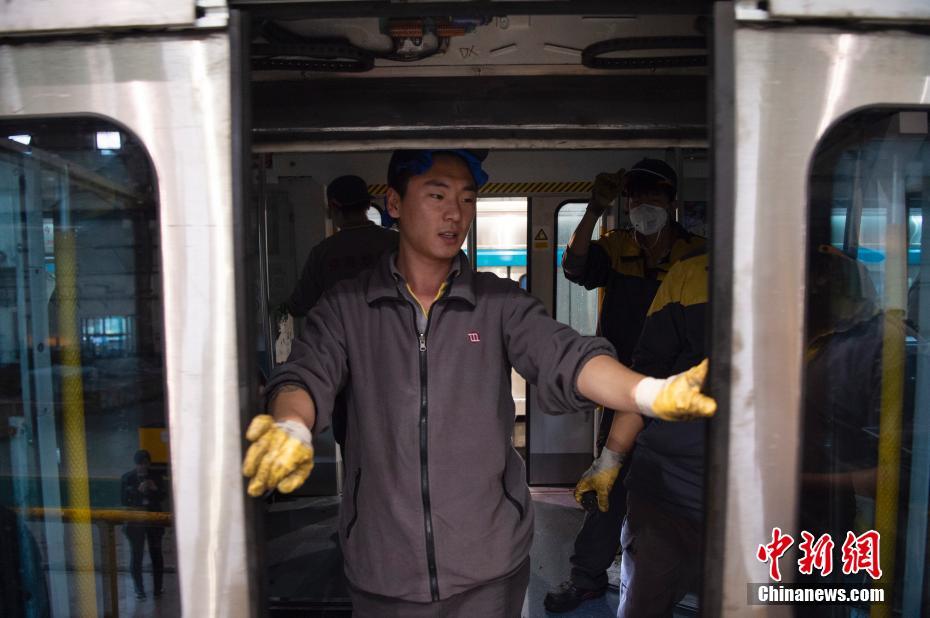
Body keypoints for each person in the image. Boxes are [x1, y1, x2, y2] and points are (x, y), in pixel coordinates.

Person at [242, 149, 716, 617]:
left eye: (467, 199)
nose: (455, 213)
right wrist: (290, 426)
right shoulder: (349, 306)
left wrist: (646, 393)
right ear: (393, 203)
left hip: (488, 568)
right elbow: (307, 372)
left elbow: (566, 355)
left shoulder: (498, 303)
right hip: (384, 566)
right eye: (436, 195)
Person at [545, 158, 705, 613]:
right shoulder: (617, 246)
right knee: (608, 480)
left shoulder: (696, 256)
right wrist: (594, 210)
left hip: (680, 396)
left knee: (674, 486)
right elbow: (574, 268)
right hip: (622, 389)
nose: (643, 205)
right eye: (635, 197)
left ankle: (681, 577)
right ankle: (587, 576)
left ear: (673, 202)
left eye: (653, 196)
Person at [573, 249, 711, 617]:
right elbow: (646, 375)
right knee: (644, 602)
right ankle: (586, 575)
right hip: (668, 487)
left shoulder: (823, 275)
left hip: (769, 495)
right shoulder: (689, 275)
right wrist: (610, 458)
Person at [283, 174, 398, 459]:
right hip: (399, 360)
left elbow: (300, 304)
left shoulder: (324, 253)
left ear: (332, 207)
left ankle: (359, 499)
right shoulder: (396, 245)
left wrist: (277, 305)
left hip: (345, 367)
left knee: (353, 443)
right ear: (367, 204)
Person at [121, 449, 167, 600]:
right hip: (136, 521)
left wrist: (155, 488)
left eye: (145, 464)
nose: (143, 467)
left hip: (153, 520)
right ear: (136, 464)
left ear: (149, 463)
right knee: (137, 554)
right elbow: (124, 500)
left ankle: (157, 589)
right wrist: (137, 491)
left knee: (156, 554)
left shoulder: (156, 477)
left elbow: (163, 496)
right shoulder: (128, 478)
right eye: (140, 464)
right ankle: (139, 589)